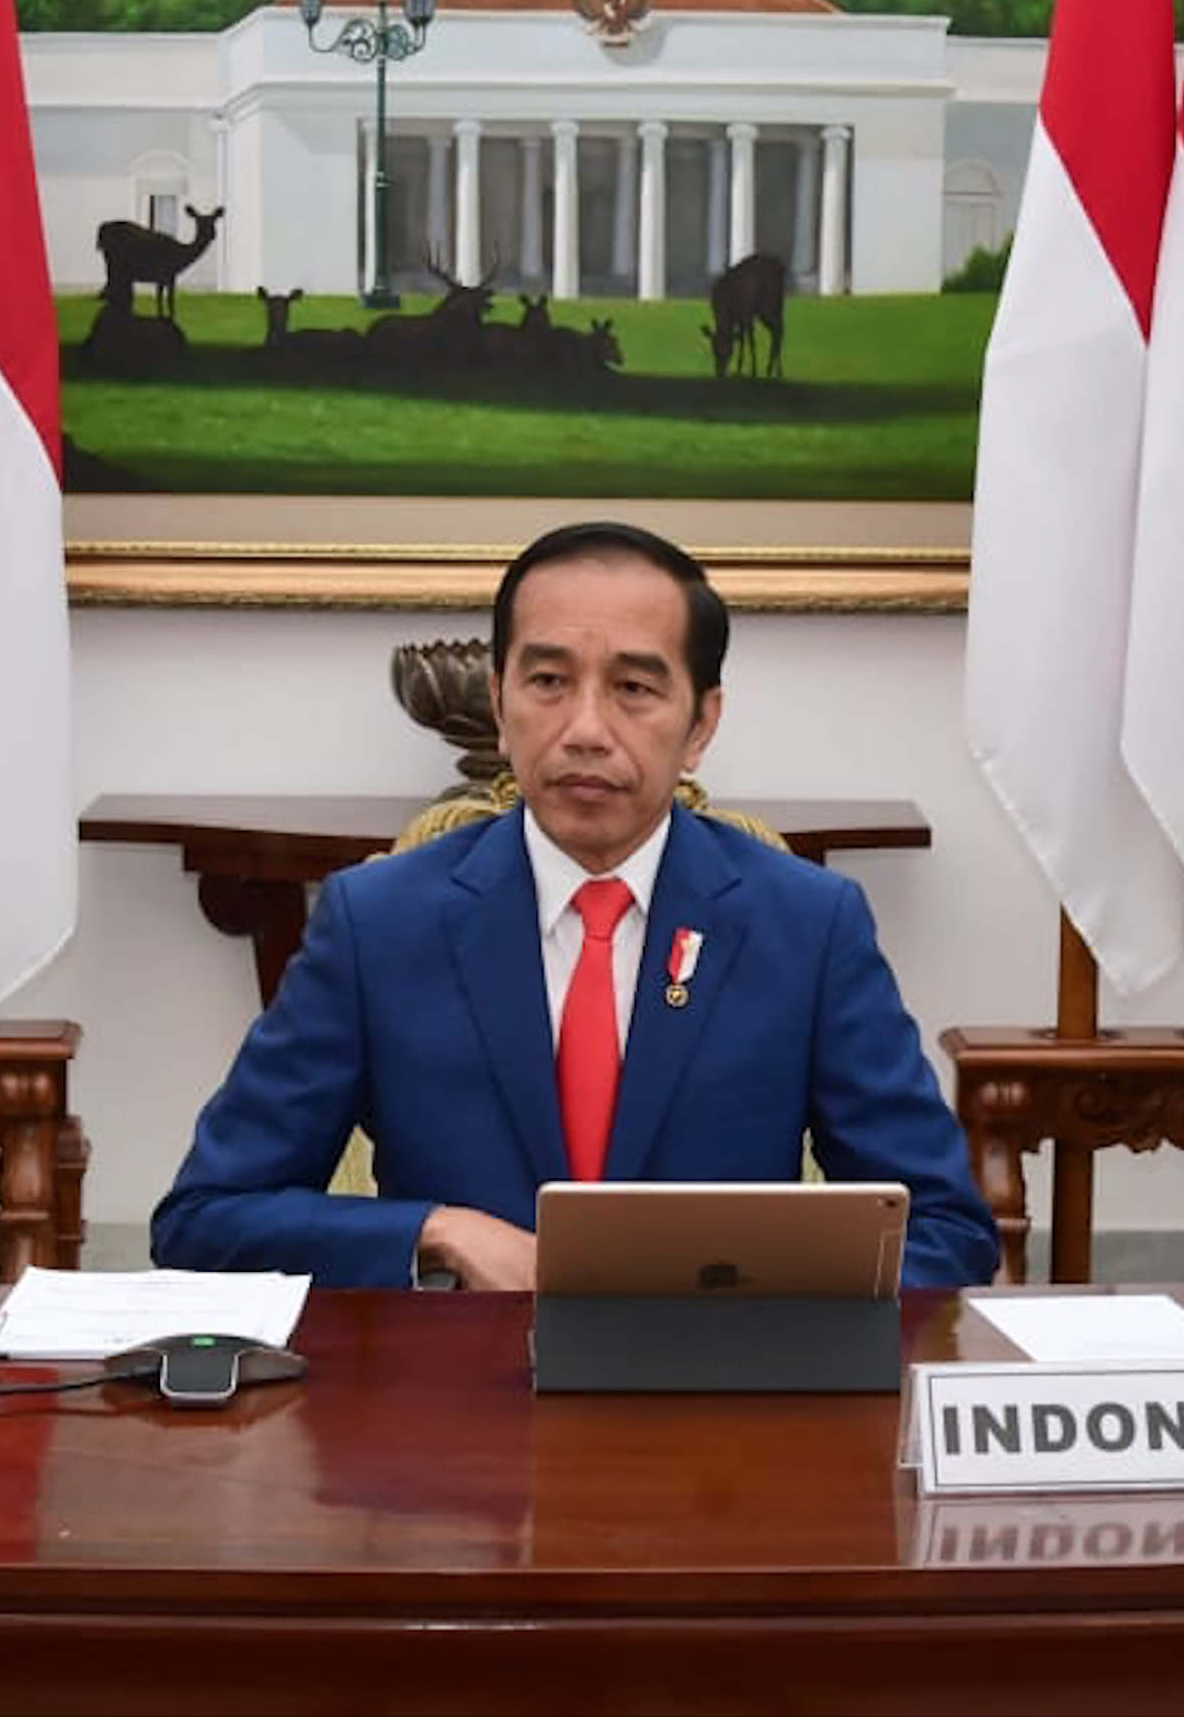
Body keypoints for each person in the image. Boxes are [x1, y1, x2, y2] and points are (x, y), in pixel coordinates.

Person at [151, 520, 1000, 1292]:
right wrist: (434, 1232)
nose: (586, 728)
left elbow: (945, 1232)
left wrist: (743, 1289)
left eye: (634, 689)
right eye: (550, 680)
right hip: (455, 1418)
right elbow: (205, 1220)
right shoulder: (380, 923)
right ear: (499, 700)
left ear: (702, 722)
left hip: (726, 1420)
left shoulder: (807, 927)